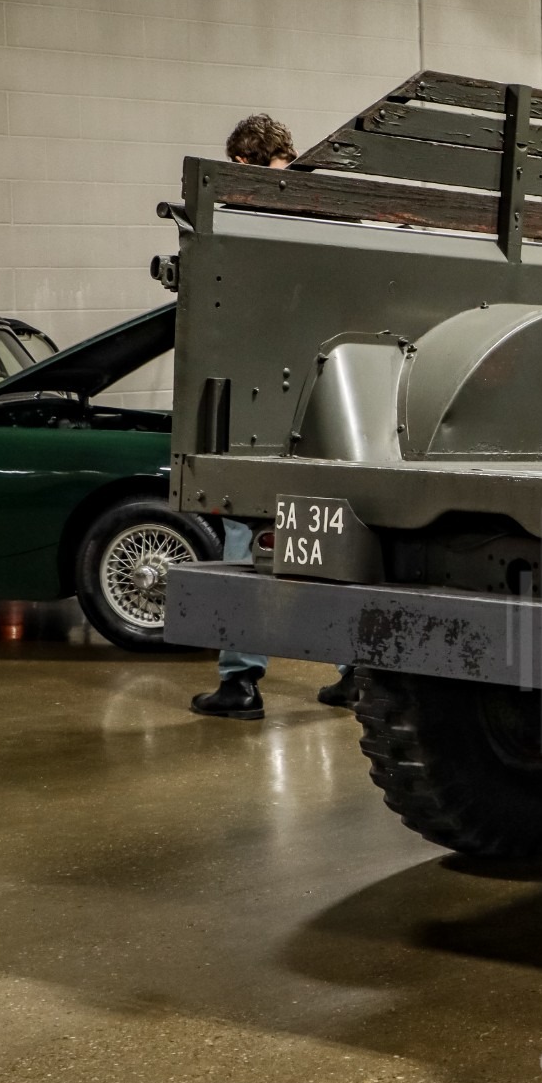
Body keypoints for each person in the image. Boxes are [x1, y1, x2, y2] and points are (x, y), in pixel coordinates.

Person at [189, 115, 360, 719]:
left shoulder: (247, 212)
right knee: (333, 541)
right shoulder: (333, 207)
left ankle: (240, 683)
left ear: (243, 159)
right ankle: (356, 672)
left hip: (262, 410)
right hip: (337, 410)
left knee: (245, 545)